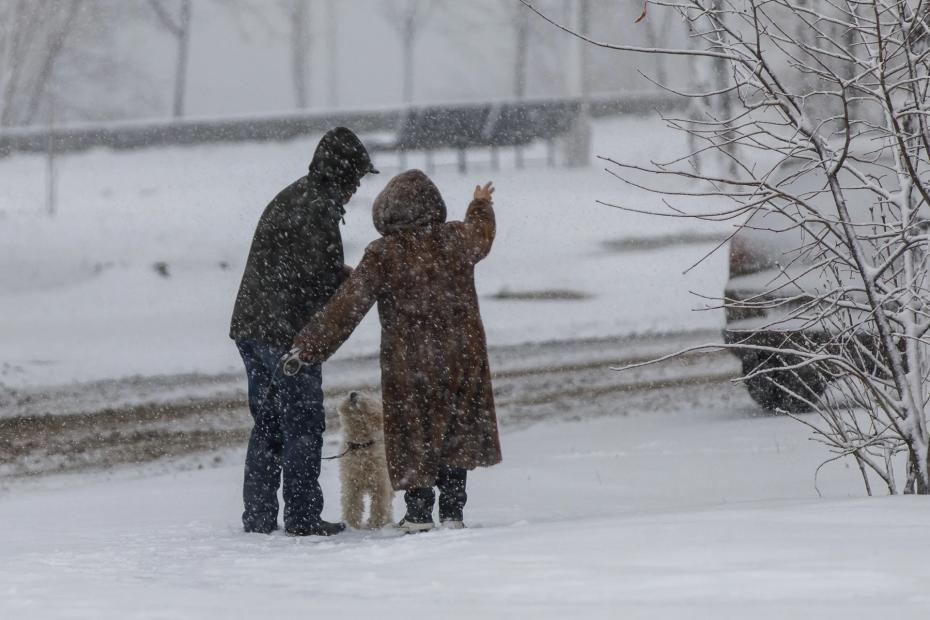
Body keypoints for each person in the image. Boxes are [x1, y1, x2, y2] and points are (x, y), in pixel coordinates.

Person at [293, 169, 502, 532]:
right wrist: (480, 205)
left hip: (410, 361)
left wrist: (309, 346)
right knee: (456, 429)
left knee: (413, 431)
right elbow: (481, 237)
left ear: (386, 212)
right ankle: (453, 511)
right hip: (461, 355)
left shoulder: (384, 253)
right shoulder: (456, 238)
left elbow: (348, 305)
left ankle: (419, 513)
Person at [229, 127, 378, 536]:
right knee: (303, 425)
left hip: (251, 326)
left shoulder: (297, 195)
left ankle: (258, 517)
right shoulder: (318, 209)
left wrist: (337, 277)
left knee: (268, 424)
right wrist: (355, 283)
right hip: (284, 334)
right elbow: (316, 279)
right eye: (357, 179)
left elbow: (306, 271)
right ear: (343, 175)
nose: (357, 188)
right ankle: (302, 516)